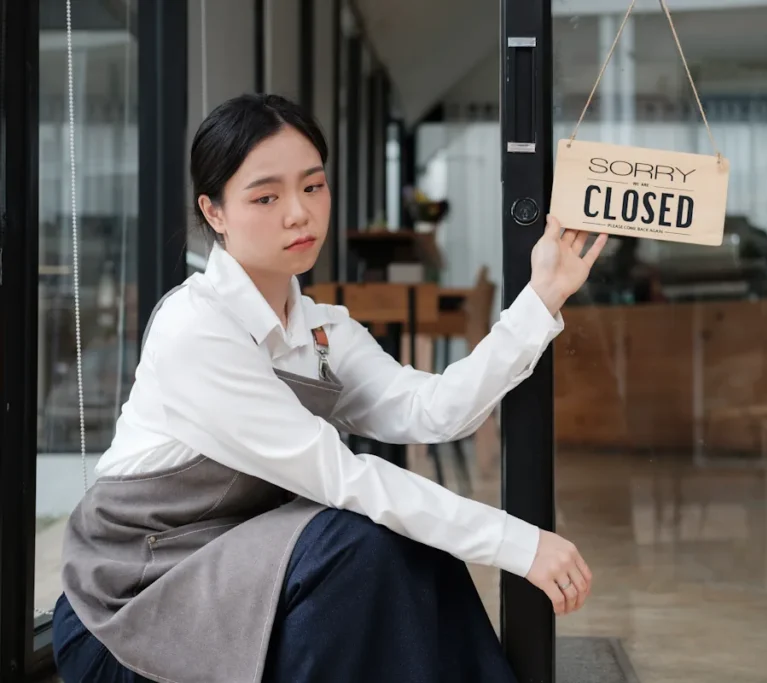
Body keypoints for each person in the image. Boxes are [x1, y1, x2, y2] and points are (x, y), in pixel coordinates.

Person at [50, 93, 608, 683]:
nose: (299, 213)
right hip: (130, 616)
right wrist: (517, 543)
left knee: (412, 545)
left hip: (246, 587)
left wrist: (542, 298)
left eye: (313, 187)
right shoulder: (196, 328)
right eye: (266, 197)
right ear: (213, 212)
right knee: (358, 543)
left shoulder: (319, 328)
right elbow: (342, 479)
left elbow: (434, 410)